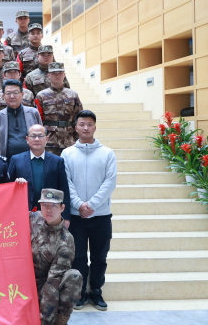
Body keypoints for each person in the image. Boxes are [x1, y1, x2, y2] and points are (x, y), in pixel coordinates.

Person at [62, 110, 117, 312]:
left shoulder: (107, 153)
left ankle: (96, 291)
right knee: (77, 257)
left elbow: (110, 182)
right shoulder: (67, 154)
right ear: (75, 127)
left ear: (95, 127)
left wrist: (92, 205)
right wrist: (79, 204)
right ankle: (80, 293)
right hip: (76, 216)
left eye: (89, 124)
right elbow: (66, 182)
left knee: (99, 257)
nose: (86, 128)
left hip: (100, 215)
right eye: (82, 124)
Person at [29, 189, 83, 325]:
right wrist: (17, 187)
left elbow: (52, 283)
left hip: (47, 286)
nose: (49, 209)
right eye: (45, 205)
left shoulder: (65, 241)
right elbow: (9, 214)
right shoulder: (34, 218)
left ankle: (60, 321)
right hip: (25, 283)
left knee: (74, 276)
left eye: (53, 205)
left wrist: (44, 320)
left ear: (62, 208)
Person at [8, 124, 70, 221]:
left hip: (50, 215)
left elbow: (64, 190)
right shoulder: (16, 160)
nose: (37, 139)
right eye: (33, 136)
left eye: (40, 136)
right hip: (22, 214)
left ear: (47, 139)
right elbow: (8, 188)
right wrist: (16, 184)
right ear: (27, 139)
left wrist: (65, 218)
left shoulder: (57, 161)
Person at [36, 62, 83, 156]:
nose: (57, 76)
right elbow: (37, 120)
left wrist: (77, 138)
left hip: (69, 139)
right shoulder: (41, 95)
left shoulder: (73, 94)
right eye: (54, 73)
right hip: (49, 141)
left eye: (60, 73)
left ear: (64, 75)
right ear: (49, 75)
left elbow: (79, 118)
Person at [0, 79, 42, 159]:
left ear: (22, 94)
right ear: (3, 96)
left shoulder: (33, 112)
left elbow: (41, 135)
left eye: (15, 93)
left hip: (31, 159)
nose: (12, 96)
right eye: (8, 93)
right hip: (7, 160)